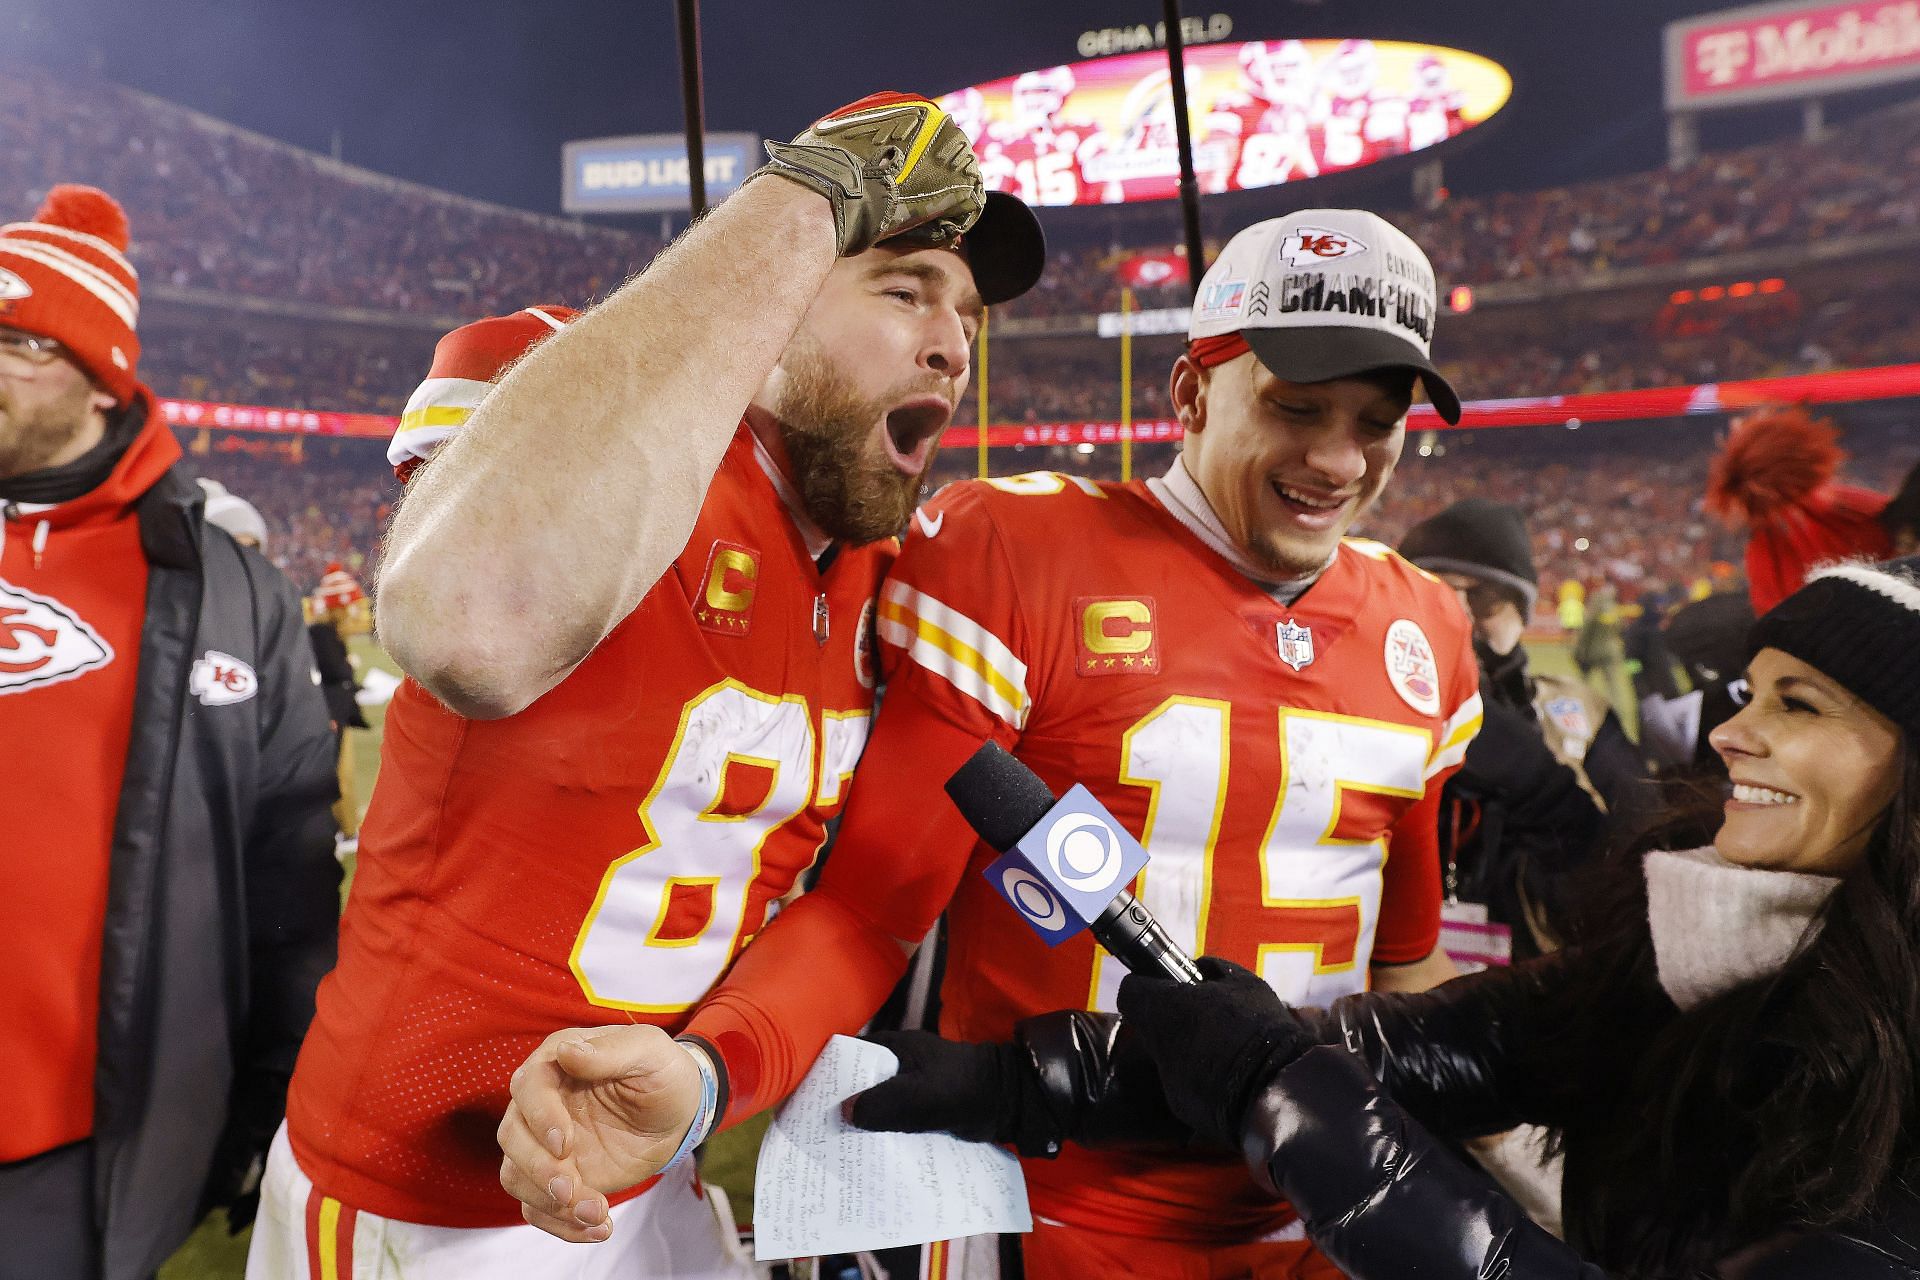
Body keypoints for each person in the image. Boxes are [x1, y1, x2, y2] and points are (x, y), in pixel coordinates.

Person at [499, 209, 1480, 1279]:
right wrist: (709, 1070)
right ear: (1192, 395)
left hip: (1325, 1212)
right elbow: (873, 906)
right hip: (1040, 1202)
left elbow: (1407, 960)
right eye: (1295, 407)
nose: (1338, 458)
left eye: (1376, 423)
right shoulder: (1016, 552)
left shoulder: (1424, 624)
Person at [248, 94, 1043, 1280]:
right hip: (424, 1203)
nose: (952, 342)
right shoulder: (571, 390)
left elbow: (867, 909)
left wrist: (715, 1068)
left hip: (653, 1162)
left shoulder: (890, 572)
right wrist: (802, 204)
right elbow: (470, 625)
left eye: (970, 315)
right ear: (771, 294)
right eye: (904, 289)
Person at [971, 556, 1920, 1278]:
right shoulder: (1717, 931)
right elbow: (1445, 1047)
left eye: (1800, 706)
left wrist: (1272, 1084)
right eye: (1752, 693)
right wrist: (1029, 1082)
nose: (1729, 732)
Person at [0, 184, 340, 1280]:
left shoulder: (233, 592)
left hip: (84, 1161)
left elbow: (289, 871)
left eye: (13, 342)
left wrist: (269, 1093)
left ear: (100, 373)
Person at [1398, 498, 1650, 956]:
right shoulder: (1361, 720)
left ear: (1522, 609)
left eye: (1485, 598)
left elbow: (1644, 858)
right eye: (1434, 593)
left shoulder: (1579, 714)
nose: (1460, 616)